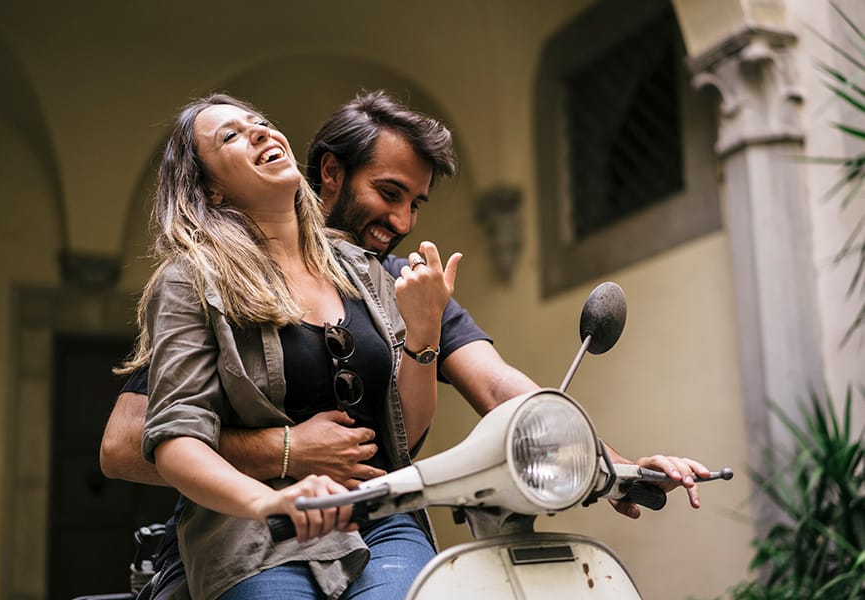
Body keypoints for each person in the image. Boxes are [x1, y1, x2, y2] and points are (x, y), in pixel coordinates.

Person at [102, 90, 711, 599]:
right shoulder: (204, 280)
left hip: (380, 520)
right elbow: (132, 443)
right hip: (247, 531)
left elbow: (491, 393)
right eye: (389, 193)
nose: (404, 222)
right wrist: (288, 453)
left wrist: (613, 464)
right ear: (332, 174)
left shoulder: (391, 280)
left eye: (416, 204)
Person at [124, 92, 459, 599]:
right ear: (210, 190)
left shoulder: (365, 271)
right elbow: (174, 442)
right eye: (231, 136)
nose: (259, 132)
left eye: (261, 121)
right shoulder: (190, 280)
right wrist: (269, 501)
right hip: (253, 530)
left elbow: (402, 440)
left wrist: (425, 333)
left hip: (379, 517)